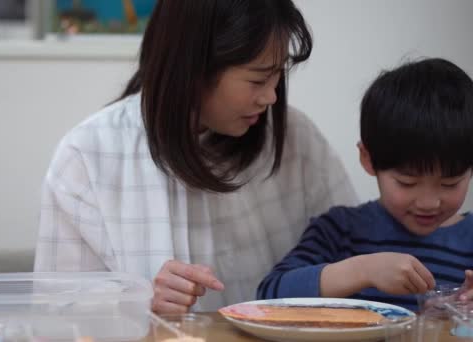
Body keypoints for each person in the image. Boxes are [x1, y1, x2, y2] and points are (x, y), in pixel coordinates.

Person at [34, 0, 358, 313]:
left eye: (278, 76)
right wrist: (136, 300)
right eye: (258, 79)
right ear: (192, 69)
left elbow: (355, 250)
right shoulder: (89, 156)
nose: (271, 96)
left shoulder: (296, 137)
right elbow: (56, 312)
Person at [257, 58, 473, 311]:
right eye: (407, 182)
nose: (429, 203)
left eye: (449, 184)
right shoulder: (340, 230)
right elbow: (268, 296)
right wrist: (362, 270)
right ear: (368, 159)